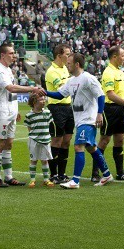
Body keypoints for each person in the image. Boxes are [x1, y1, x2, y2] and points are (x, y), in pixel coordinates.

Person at [45, 53, 114, 189]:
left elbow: (100, 95)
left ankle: (75, 181)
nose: (67, 65)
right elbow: (60, 95)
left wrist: (99, 114)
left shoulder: (88, 78)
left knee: (78, 146)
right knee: (91, 148)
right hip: (80, 119)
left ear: (77, 64)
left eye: (69, 63)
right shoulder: (71, 81)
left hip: (88, 119)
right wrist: (45, 92)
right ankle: (106, 175)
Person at [0, 43, 45, 187]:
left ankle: (8, 177)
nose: (14, 56)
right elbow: (11, 88)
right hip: (0, 112)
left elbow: (9, 93)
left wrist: (15, 109)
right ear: (2, 55)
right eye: (11, 53)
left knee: (9, 144)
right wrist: (32, 88)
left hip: (9, 112)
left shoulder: (8, 70)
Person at [92, 46, 124, 182]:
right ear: (114, 56)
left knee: (120, 140)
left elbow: (121, 93)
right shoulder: (108, 72)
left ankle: (120, 173)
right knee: (104, 140)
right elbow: (110, 94)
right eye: (123, 55)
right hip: (110, 109)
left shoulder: (120, 72)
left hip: (121, 109)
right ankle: (95, 173)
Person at [45, 44, 74, 183]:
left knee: (67, 141)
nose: (69, 56)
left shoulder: (65, 69)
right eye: (67, 54)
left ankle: (62, 173)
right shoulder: (52, 71)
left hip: (68, 107)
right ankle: (53, 174)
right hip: (56, 108)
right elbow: (62, 90)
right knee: (56, 140)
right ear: (59, 55)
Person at [24, 93, 55, 188]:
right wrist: (34, 136)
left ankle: (46, 179)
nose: (44, 101)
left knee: (44, 160)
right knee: (33, 160)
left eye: (44, 99)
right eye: (41, 100)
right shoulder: (29, 115)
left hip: (45, 140)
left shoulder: (47, 112)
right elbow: (29, 128)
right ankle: (32, 180)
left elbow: (50, 125)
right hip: (34, 141)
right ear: (34, 102)